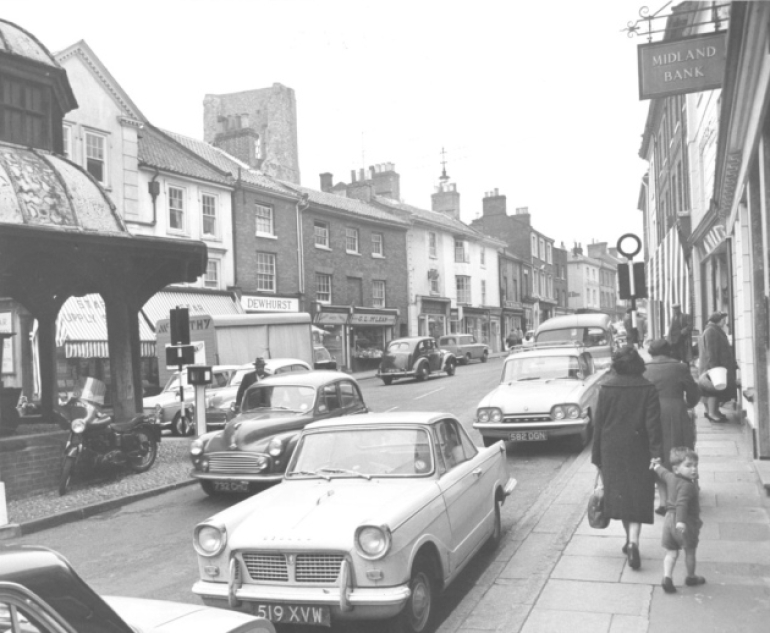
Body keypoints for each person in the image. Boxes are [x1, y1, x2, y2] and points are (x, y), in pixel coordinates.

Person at [592, 346, 663, 571]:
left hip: (611, 449)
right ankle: (633, 542)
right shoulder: (648, 388)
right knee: (637, 496)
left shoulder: (605, 388)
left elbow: (599, 425)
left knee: (621, 496)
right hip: (639, 449)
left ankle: (629, 541)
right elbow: (654, 426)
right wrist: (656, 456)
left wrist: (597, 457)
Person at [644, 339, 700, 513]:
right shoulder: (681, 367)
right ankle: (680, 497)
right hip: (676, 413)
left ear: (651, 352)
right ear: (669, 351)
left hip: (651, 414)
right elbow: (693, 394)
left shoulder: (645, 368)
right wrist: (688, 403)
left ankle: (663, 502)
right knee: (679, 452)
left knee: (657, 454)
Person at [652, 447, 705, 593]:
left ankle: (667, 577)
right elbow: (681, 503)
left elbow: (663, 473)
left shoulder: (671, 477)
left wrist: (656, 466)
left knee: (671, 552)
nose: (693, 469)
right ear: (677, 469)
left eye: (695, 465)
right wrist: (681, 521)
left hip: (669, 521)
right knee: (690, 551)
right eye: (688, 466)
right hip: (685, 522)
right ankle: (691, 576)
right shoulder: (688, 485)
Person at [698, 311, 735, 422]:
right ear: (718, 320)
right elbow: (711, 351)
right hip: (713, 367)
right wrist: (714, 368)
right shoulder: (711, 331)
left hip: (713, 366)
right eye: (723, 319)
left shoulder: (712, 330)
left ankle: (714, 412)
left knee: (713, 390)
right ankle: (712, 413)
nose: (725, 322)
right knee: (713, 390)